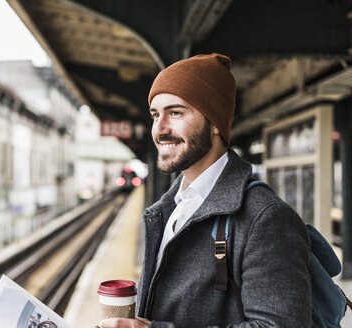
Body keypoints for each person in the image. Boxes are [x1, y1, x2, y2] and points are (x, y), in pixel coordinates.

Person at [98, 53, 311, 327]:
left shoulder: (265, 218)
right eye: (155, 115)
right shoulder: (170, 209)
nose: (159, 129)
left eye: (175, 112)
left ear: (214, 123)